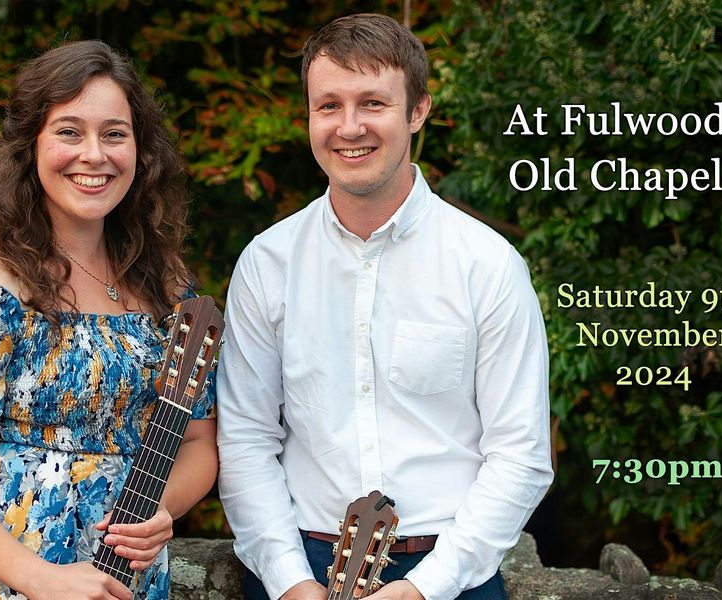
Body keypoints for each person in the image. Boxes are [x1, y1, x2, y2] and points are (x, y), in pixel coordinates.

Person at [216, 13, 553, 600]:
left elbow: (520, 455)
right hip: (301, 565)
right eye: (329, 106)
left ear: (417, 110)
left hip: (449, 570)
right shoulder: (268, 263)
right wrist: (289, 579)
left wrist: (427, 587)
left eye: (372, 103)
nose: (349, 127)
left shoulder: (487, 264)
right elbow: (245, 438)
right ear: (309, 116)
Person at [0, 40, 218, 600]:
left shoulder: (167, 287)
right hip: (4, 584)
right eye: (68, 131)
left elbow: (199, 442)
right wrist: (40, 578)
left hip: (123, 582)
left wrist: (160, 508)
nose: (95, 154)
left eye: (115, 133)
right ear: (30, 146)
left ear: (141, 150)